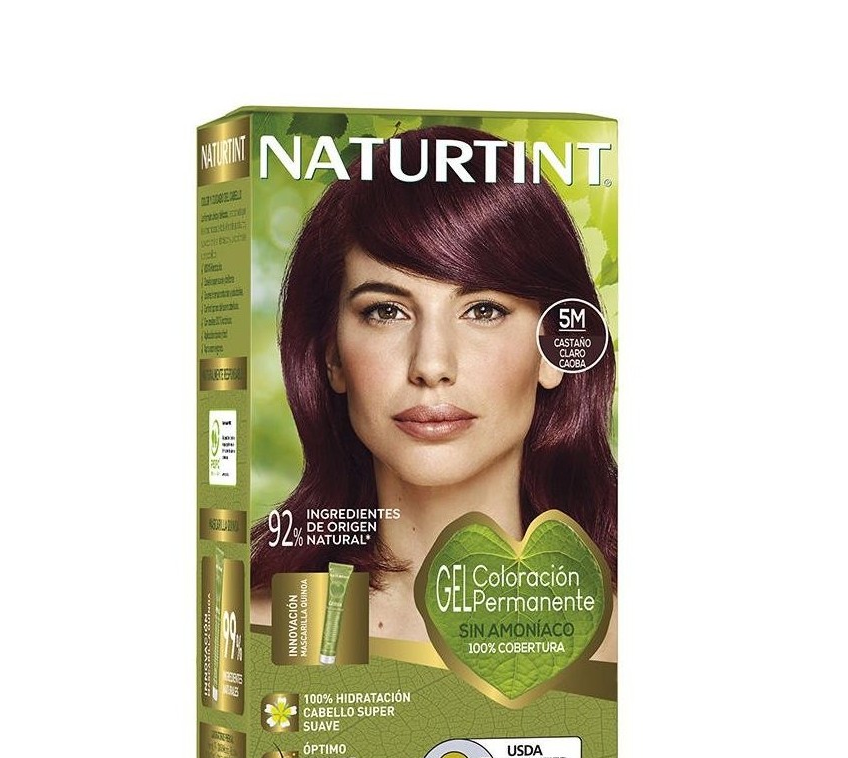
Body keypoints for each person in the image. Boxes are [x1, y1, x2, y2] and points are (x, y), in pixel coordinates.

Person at [250, 126, 617, 656]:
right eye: (386, 311)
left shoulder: (621, 638)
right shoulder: (269, 631)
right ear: (332, 356)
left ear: (553, 348)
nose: (431, 366)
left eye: (483, 310)